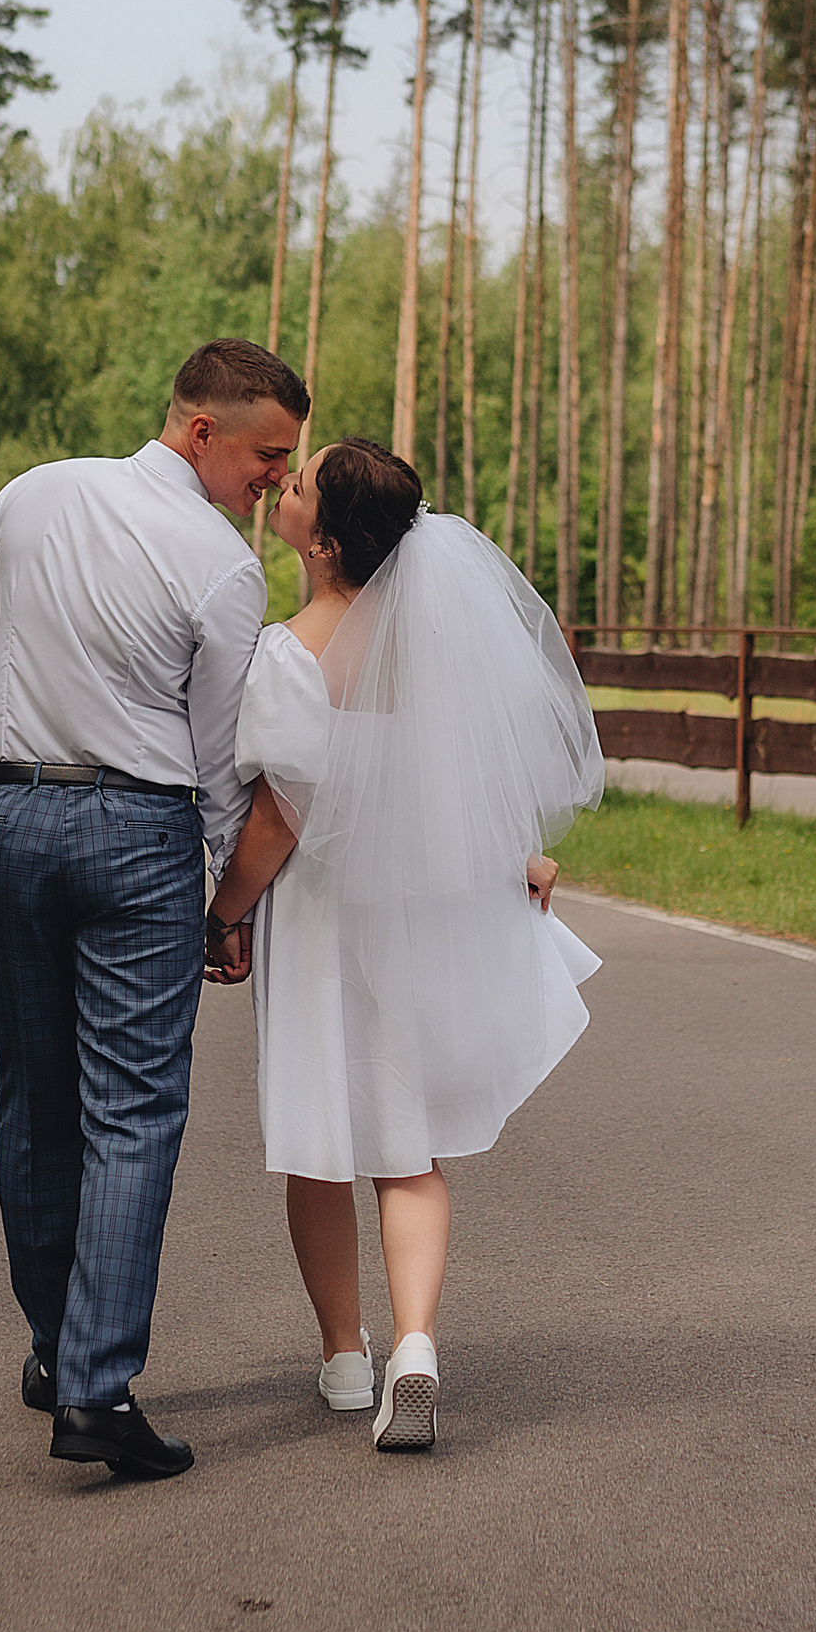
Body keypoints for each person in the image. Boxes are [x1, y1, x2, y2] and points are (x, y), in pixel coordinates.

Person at [0, 339, 308, 1482]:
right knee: (132, 1112)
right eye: (266, 457)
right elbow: (225, 759)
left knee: (34, 1097)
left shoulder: (32, 498)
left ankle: (52, 1348)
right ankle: (93, 1389)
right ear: (201, 433)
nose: (274, 481)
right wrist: (228, 905)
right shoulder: (224, 569)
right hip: (138, 837)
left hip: (15, 824)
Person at [205, 439, 604, 1453]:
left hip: (321, 919)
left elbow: (277, 819)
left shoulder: (291, 652)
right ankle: (415, 1344)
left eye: (296, 487)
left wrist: (223, 913)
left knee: (318, 1140)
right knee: (408, 1144)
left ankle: (346, 1356)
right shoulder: (437, 652)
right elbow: (468, 779)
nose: (281, 489)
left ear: (326, 543)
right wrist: (519, 853)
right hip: (421, 908)